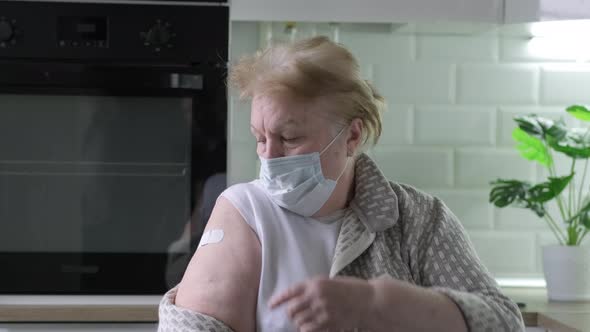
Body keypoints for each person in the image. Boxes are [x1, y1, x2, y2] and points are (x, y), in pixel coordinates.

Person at [158, 36, 525, 332]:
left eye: (289, 138)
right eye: (260, 137)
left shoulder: (418, 220)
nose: (269, 156)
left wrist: (383, 307)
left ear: (351, 136)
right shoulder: (244, 213)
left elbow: (504, 323)